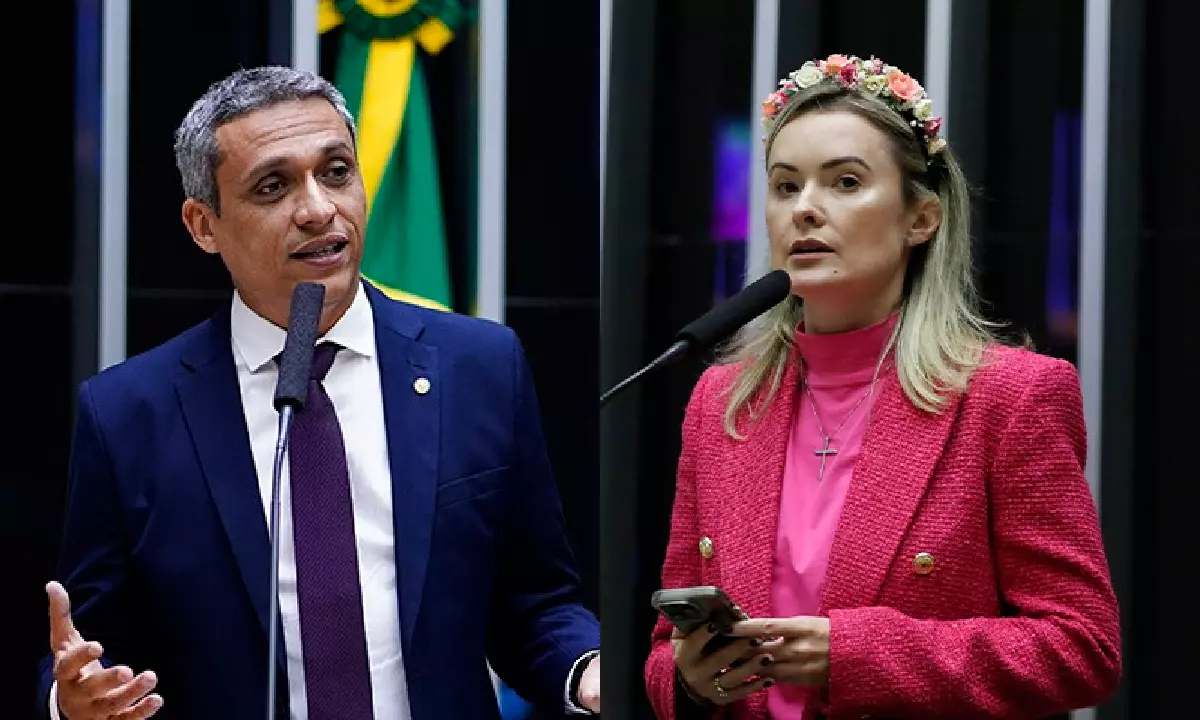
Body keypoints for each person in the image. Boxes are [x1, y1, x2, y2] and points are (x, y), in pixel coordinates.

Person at [38, 65, 600, 720]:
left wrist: (588, 671)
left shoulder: (477, 367)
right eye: (273, 186)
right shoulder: (129, 413)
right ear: (203, 224)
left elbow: (536, 606)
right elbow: (93, 652)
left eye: (336, 172)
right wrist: (72, 700)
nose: (317, 208)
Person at [644, 54, 1120, 719]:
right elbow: (666, 651)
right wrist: (692, 679)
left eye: (844, 182)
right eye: (786, 187)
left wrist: (855, 656)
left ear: (920, 218)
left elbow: (1081, 649)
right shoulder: (722, 402)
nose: (806, 209)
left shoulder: (1011, 397)